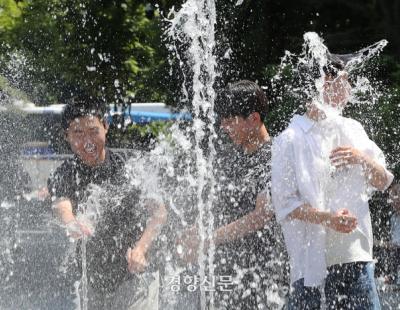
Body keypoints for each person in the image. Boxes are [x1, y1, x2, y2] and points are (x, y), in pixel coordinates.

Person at [272, 53, 394, 309]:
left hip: (357, 259)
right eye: (345, 81)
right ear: (325, 81)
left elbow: (383, 181)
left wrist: (362, 158)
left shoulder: (353, 129)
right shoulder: (290, 139)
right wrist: (329, 219)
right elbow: (285, 205)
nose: (350, 88)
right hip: (312, 267)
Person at [47, 97, 167, 310]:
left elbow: (159, 213)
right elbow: (61, 206)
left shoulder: (130, 167)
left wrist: (141, 248)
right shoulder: (64, 173)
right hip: (92, 279)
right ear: (67, 136)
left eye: (93, 131)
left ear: (106, 126)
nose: (87, 141)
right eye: (78, 134)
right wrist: (71, 223)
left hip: (136, 274)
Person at [178, 80, 289, 309]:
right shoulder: (232, 158)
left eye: (230, 121)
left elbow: (262, 214)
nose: (224, 128)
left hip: (263, 276)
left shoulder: (276, 156)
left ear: (254, 119)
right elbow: (222, 209)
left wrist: (209, 239)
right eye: (223, 122)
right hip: (228, 276)